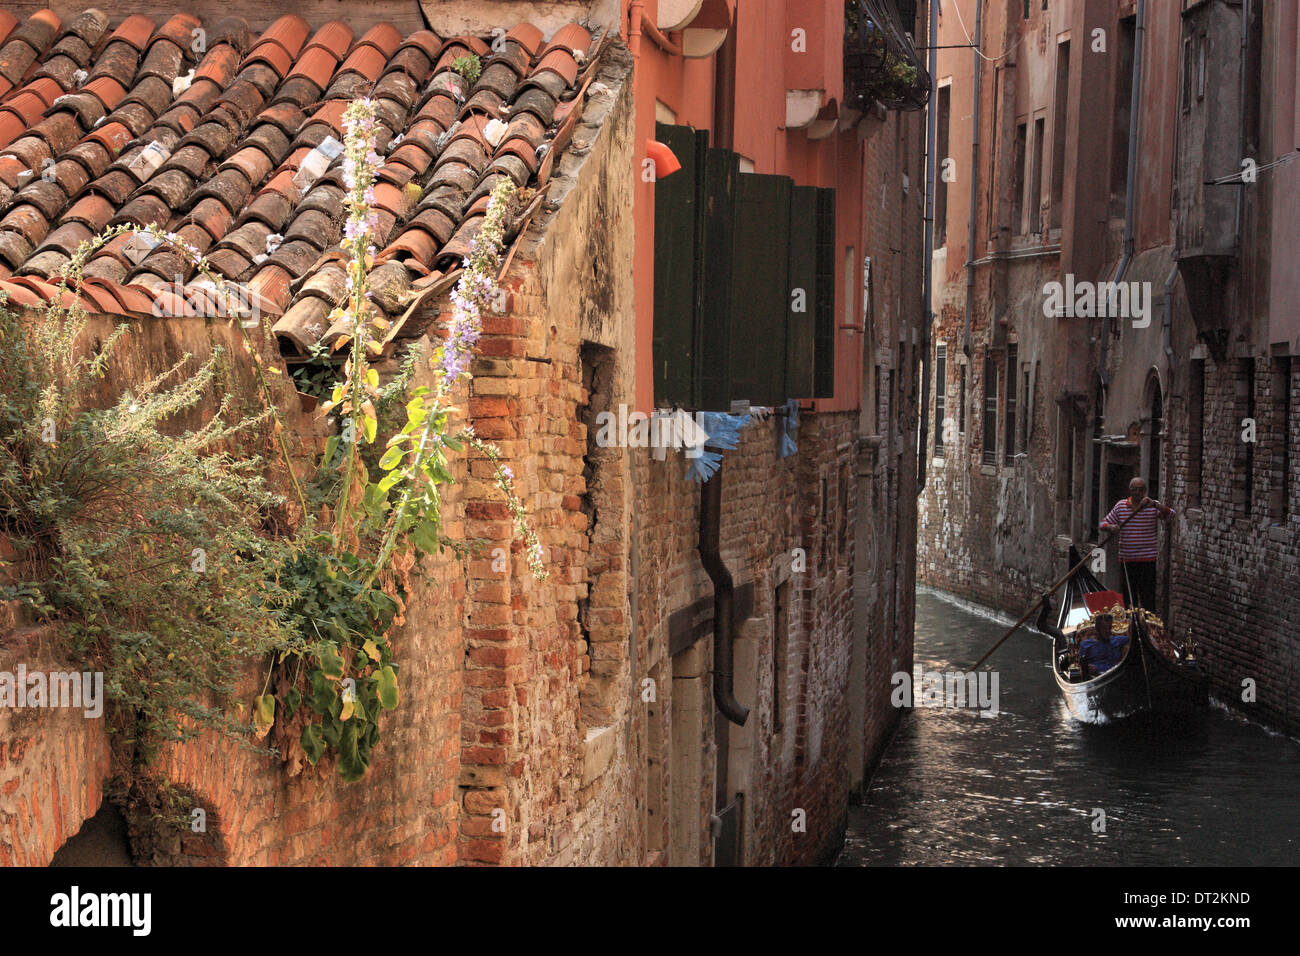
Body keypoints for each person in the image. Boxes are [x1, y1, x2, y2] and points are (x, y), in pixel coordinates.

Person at [1100, 476, 1174, 609]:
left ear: (1145, 491)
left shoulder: (1152, 506)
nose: (1137, 493)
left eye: (1140, 490)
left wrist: (1156, 505)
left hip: (1147, 560)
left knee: (1147, 597)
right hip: (1127, 560)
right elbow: (1102, 523)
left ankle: (1147, 627)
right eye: (1134, 490)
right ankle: (1132, 626)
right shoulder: (1121, 506)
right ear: (1130, 491)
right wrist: (1111, 527)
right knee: (1129, 598)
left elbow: (1171, 515)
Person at [1079, 612, 1129, 676]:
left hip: (1117, 674)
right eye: (1104, 628)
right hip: (1096, 677)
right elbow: (1081, 668)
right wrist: (1088, 668)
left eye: (1110, 627)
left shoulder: (1118, 640)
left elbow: (1133, 637)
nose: (1108, 631)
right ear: (1097, 629)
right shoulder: (1086, 644)